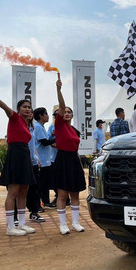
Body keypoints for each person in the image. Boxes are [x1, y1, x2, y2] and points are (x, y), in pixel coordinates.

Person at [0, 90, 36, 236]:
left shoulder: (26, 124)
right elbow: (4, 107)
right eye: (24, 106)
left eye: (29, 107)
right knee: (13, 192)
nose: (27, 109)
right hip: (15, 155)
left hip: (24, 155)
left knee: (24, 191)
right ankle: (11, 226)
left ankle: (22, 223)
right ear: (18, 109)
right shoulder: (14, 118)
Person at [51, 78, 86, 235]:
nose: (66, 113)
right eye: (64, 111)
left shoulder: (74, 130)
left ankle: (76, 223)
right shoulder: (58, 125)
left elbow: (75, 147)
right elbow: (62, 106)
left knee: (75, 193)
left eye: (69, 112)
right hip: (63, 160)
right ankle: (63, 224)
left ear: (72, 115)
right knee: (62, 194)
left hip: (73, 160)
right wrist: (59, 90)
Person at [33, 107, 55, 210]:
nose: (47, 116)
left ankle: (46, 201)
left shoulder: (41, 127)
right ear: (41, 116)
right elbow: (44, 142)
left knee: (45, 182)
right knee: (41, 183)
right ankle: (41, 203)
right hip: (41, 160)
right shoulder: (38, 127)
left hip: (46, 159)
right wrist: (57, 138)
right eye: (45, 114)